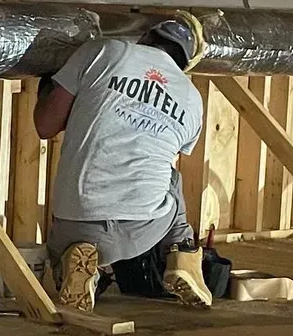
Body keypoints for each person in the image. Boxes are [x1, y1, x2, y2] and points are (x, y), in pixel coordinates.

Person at [33, 19, 213, 313]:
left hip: (75, 221)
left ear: (144, 37)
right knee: (169, 178)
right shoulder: (192, 97)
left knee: (67, 263)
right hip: (141, 231)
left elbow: (45, 125)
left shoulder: (103, 51)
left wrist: (47, 89)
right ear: (185, 63)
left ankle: (84, 266)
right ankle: (184, 256)